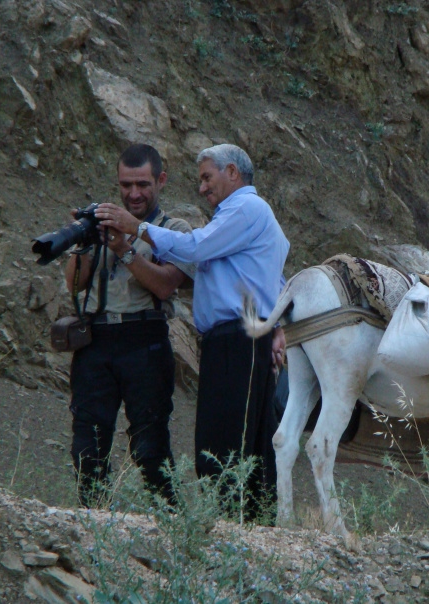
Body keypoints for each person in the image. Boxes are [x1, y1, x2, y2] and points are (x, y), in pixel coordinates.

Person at [95, 143, 289, 521]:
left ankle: (229, 533)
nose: (201, 188)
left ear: (232, 172)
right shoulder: (240, 217)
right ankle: (252, 532)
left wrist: (138, 228)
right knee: (245, 443)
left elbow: (195, 247)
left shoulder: (246, 209)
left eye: (206, 177)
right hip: (236, 339)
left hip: (239, 339)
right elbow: (271, 276)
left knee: (227, 443)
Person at [65, 143, 193, 507]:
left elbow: (166, 284)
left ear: (161, 180)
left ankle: (173, 527)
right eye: (126, 185)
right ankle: (94, 525)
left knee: (150, 448)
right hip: (96, 340)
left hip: (145, 340)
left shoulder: (173, 229)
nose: (133, 194)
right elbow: (74, 284)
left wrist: (125, 247)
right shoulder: (101, 223)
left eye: (142, 184)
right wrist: (82, 241)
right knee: (87, 445)